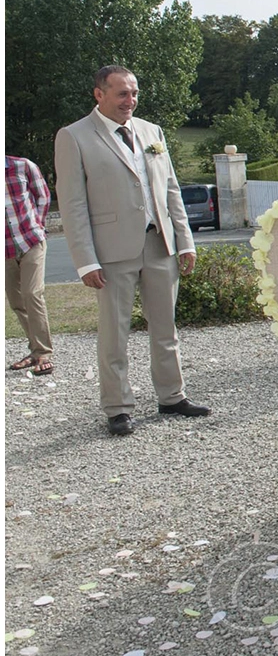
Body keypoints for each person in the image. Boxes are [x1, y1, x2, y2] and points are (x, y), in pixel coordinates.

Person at [54, 66, 209, 437]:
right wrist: (85, 260)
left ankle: (172, 396)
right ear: (99, 94)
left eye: (134, 93)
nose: (130, 101)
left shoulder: (151, 131)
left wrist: (184, 240)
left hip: (159, 244)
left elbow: (171, 187)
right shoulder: (74, 137)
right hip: (111, 252)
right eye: (122, 93)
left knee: (166, 328)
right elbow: (72, 204)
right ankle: (118, 408)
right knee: (114, 334)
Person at [5, 155, 54, 376]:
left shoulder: (22, 166)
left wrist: (38, 226)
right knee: (16, 301)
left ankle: (44, 352)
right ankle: (34, 350)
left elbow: (43, 196)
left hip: (31, 241)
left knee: (31, 293)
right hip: (4, 251)